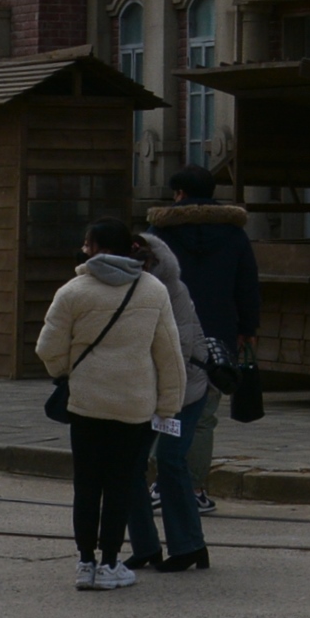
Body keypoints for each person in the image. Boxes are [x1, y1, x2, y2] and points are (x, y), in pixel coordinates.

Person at [34, 215, 183, 592]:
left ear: (96, 248)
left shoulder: (73, 291)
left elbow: (48, 348)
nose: (84, 249)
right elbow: (169, 354)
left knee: (87, 484)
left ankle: (85, 562)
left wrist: (69, 372)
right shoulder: (152, 290)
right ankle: (111, 564)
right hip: (134, 404)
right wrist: (169, 404)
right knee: (121, 485)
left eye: (87, 244)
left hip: (87, 403)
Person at [149, 165, 261, 504]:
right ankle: (195, 489)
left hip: (167, 329)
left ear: (179, 193)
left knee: (163, 409)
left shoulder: (159, 233)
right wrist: (247, 329)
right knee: (203, 417)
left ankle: (162, 485)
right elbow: (247, 285)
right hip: (217, 333)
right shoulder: (234, 234)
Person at [121, 222, 212, 573]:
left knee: (171, 460)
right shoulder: (119, 287)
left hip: (184, 388)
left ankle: (190, 546)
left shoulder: (170, 289)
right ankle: (145, 545)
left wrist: (163, 399)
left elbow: (181, 349)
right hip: (145, 389)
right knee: (130, 463)